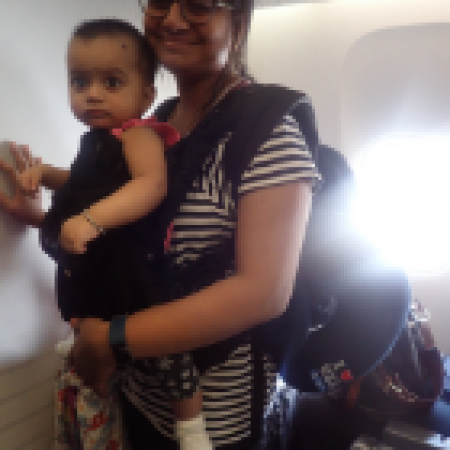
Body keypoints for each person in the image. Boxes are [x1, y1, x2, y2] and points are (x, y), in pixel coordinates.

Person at [0, 1, 320, 448]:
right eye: (159, 1)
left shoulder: (268, 133)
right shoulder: (154, 122)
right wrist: (38, 217)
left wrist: (109, 339)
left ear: (239, 20)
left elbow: (263, 293)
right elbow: (124, 229)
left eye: (198, 4)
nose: (171, 18)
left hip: (215, 420)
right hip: (136, 392)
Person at [15, 18, 214, 450]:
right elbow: (80, 184)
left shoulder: (138, 135)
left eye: (111, 82)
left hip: (137, 268)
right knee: (91, 318)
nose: (92, 94)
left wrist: (90, 220)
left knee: (169, 351)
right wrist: (43, 174)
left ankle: (191, 425)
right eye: (80, 81)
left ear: (145, 97)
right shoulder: (94, 141)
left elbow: (150, 185)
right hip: (106, 271)